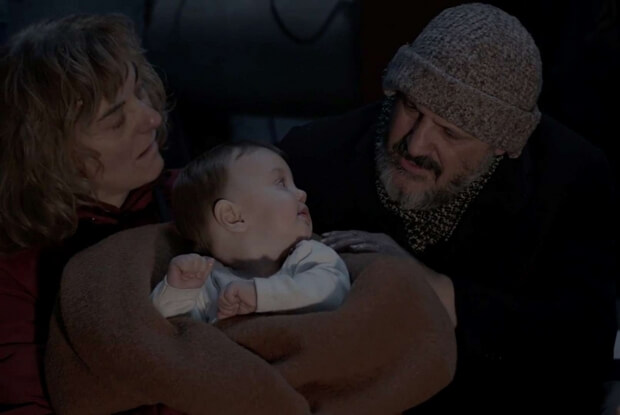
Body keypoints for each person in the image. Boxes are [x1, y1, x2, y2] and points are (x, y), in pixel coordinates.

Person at [278, 3, 617, 414]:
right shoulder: (313, 158)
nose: (415, 144)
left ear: (502, 145)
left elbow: (586, 342)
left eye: (450, 132)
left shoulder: (570, 179)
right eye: (412, 108)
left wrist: (436, 290)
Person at [0, 13, 182, 415]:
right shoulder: (17, 271)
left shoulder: (196, 197)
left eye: (140, 91)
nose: (151, 118)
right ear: (50, 153)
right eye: (115, 119)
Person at [151, 141, 350, 322]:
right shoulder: (208, 281)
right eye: (281, 183)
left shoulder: (310, 255)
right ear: (233, 216)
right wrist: (178, 290)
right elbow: (170, 333)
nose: (302, 194)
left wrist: (259, 295)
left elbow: (331, 290)